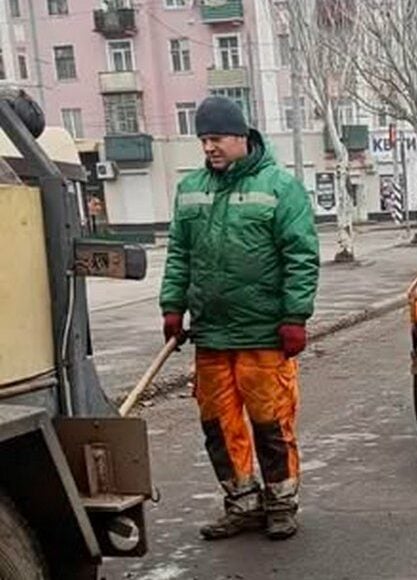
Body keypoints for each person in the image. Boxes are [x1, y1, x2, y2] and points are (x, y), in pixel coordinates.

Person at [159, 96, 319, 541]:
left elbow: (301, 255)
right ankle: (242, 504)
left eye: (216, 138)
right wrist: (172, 305)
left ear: (242, 137)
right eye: (203, 140)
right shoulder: (191, 188)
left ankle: (280, 503)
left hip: (263, 332)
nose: (209, 147)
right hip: (211, 334)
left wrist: (295, 316)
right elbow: (180, 254)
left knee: (270, 422)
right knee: (219, 424)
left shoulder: (279, 187)